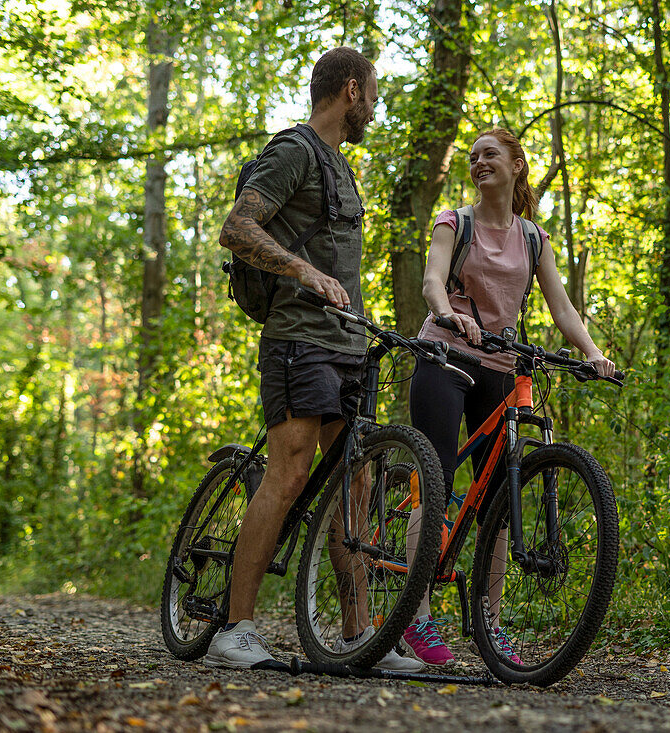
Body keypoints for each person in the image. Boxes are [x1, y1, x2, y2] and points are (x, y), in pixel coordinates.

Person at [206, 47, 421, 672]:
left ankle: (359, 638)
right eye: (374, 94)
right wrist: (301, 270)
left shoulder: (342, 168)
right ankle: (234, 628)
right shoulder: (295, 151)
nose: (375, 108)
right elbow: (237, 228)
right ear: (351, 90)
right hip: (299, 341)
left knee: (353, 484)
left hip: (348, 346)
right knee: (292, 472)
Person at [401, 128, 616, 665]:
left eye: (490, 155)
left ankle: (489, 626)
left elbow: (562, 308)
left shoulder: (533, 237)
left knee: (500, 497)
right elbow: (432, 281)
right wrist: (449, 314)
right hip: (445, 356)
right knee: (435, 478)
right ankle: (416, 616)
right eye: (472, 158)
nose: (478, 163)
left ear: (517, 165)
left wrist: (592, 352)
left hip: (500, 365)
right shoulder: (456, 221)